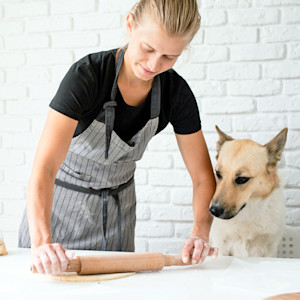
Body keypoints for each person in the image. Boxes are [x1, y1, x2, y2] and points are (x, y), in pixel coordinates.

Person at [18, 0, 218, 274]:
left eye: (169, 57)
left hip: (117, 220)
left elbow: (203, 177)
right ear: (130, 24)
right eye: (147, 49)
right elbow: (44, 167)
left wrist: (200, 232)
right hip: (57, 218)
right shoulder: (87, 76)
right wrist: (42, 242)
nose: (153, 64)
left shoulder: (176, 93)